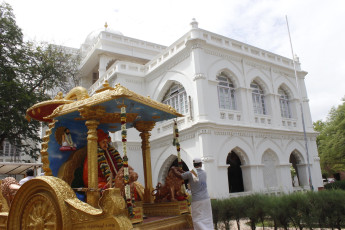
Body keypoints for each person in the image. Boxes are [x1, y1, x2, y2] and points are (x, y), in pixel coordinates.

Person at [173, 157, 213, 230]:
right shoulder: (204, 172)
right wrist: (180, 170)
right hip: (206, 199)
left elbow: (181, 176)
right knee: (207, 217)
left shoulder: (191, 173)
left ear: (194, 164)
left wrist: (174, 170)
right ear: (201, 164)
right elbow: (189, 174)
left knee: (197, 219)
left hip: (197, 200)